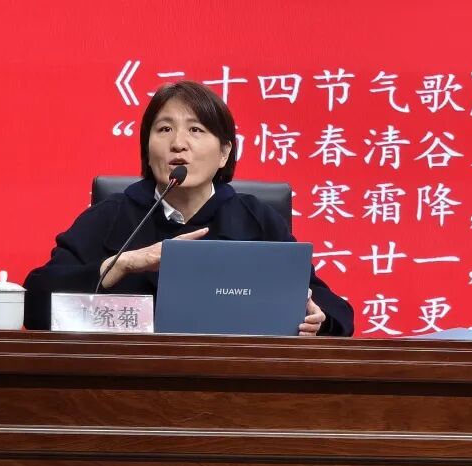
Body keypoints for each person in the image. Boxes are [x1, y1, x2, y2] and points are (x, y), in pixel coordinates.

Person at [23, 81, 354, 336]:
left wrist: (317, 319)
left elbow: (339, 313)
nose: (178, 143)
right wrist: (124, 263)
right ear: (147, 149)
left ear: (224, 153)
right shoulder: (110, 217)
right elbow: (35, 303)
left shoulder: (256, 220)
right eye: (164, 129)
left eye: (196, 130)